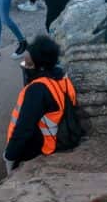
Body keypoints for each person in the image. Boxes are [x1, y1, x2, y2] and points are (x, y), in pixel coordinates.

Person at [4, 35, 77, 173]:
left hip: (43, 147)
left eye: (29, 64)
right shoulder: (62, 78)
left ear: (40, 66)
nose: (25, 67)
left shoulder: (37, 90)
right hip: (64, 137)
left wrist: (9, 156)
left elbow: (24, 129)